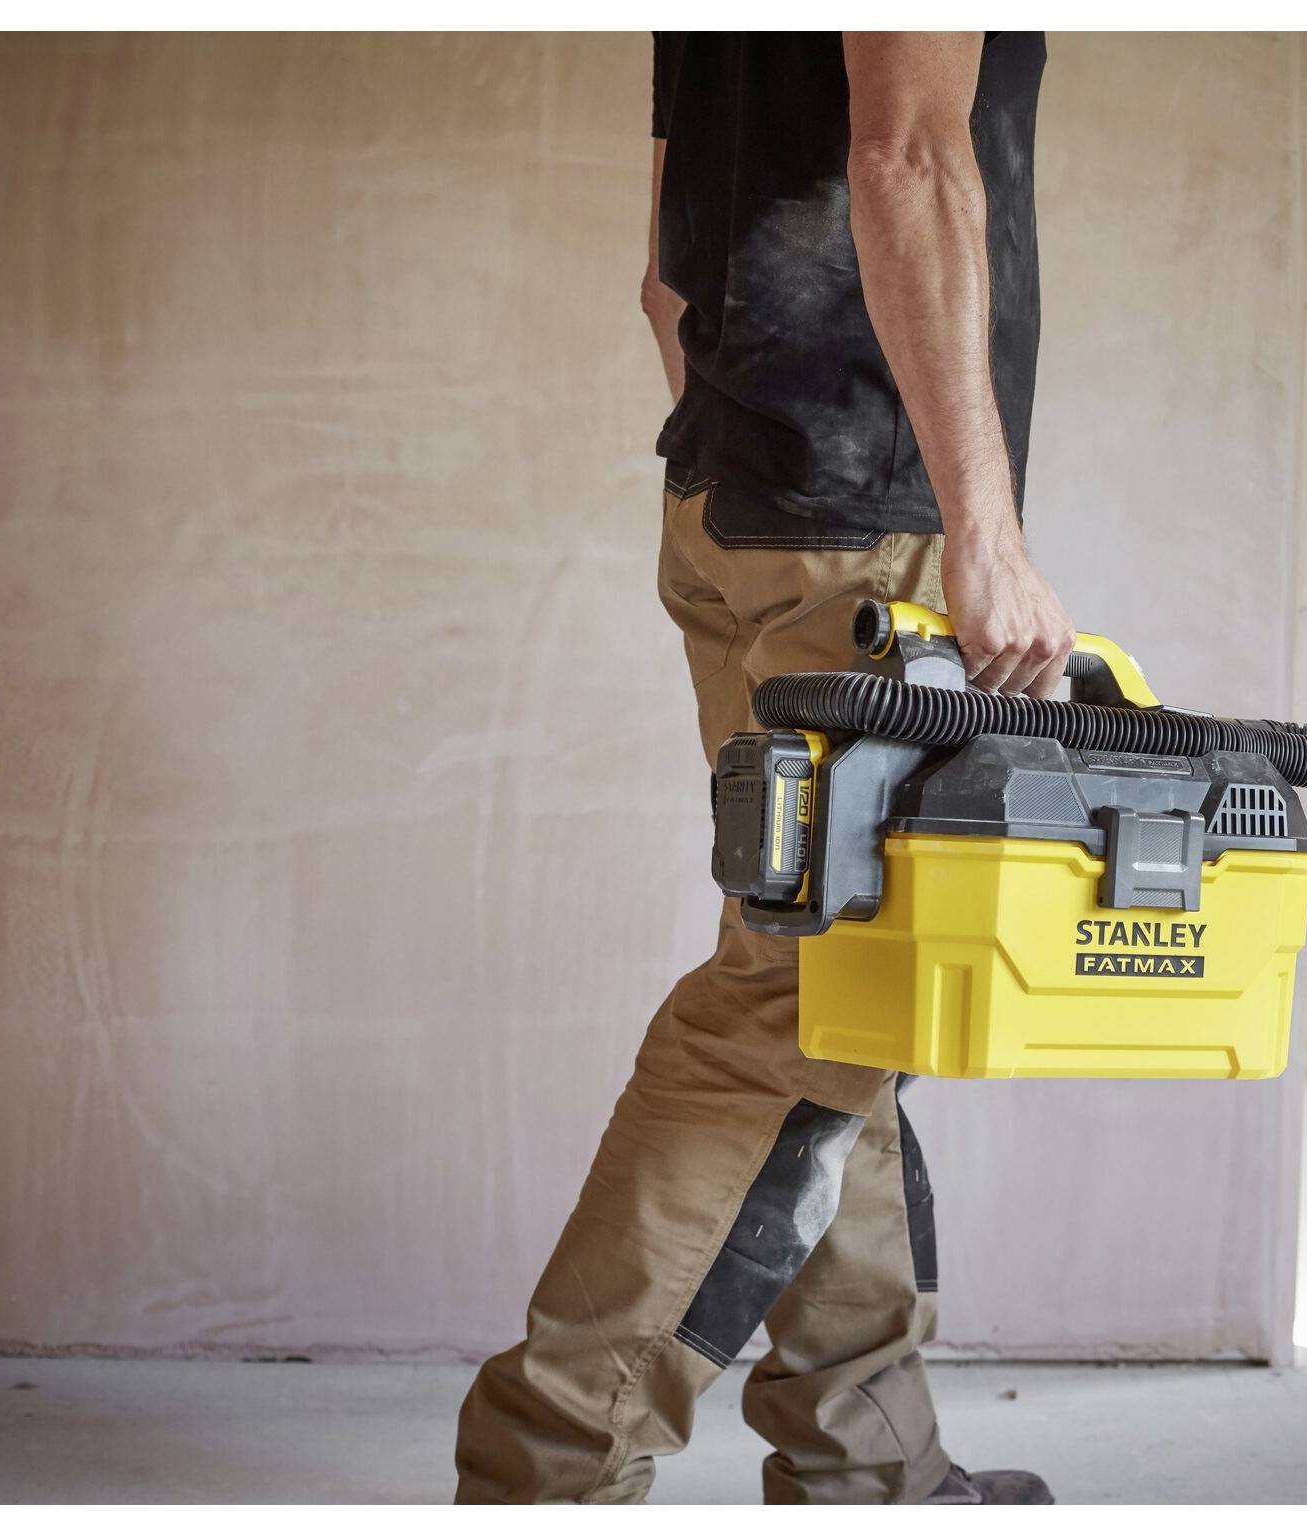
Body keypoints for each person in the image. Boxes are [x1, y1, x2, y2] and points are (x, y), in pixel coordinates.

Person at [454, 31, 1070, 1505]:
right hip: (863, 530)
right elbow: (908, 156)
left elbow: (666, 276)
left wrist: (743, 455)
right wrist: (981, 535)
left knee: (837, 986)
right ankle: (547, 1472)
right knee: (789, 1008)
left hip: (737, 504)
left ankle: (872, 1460)